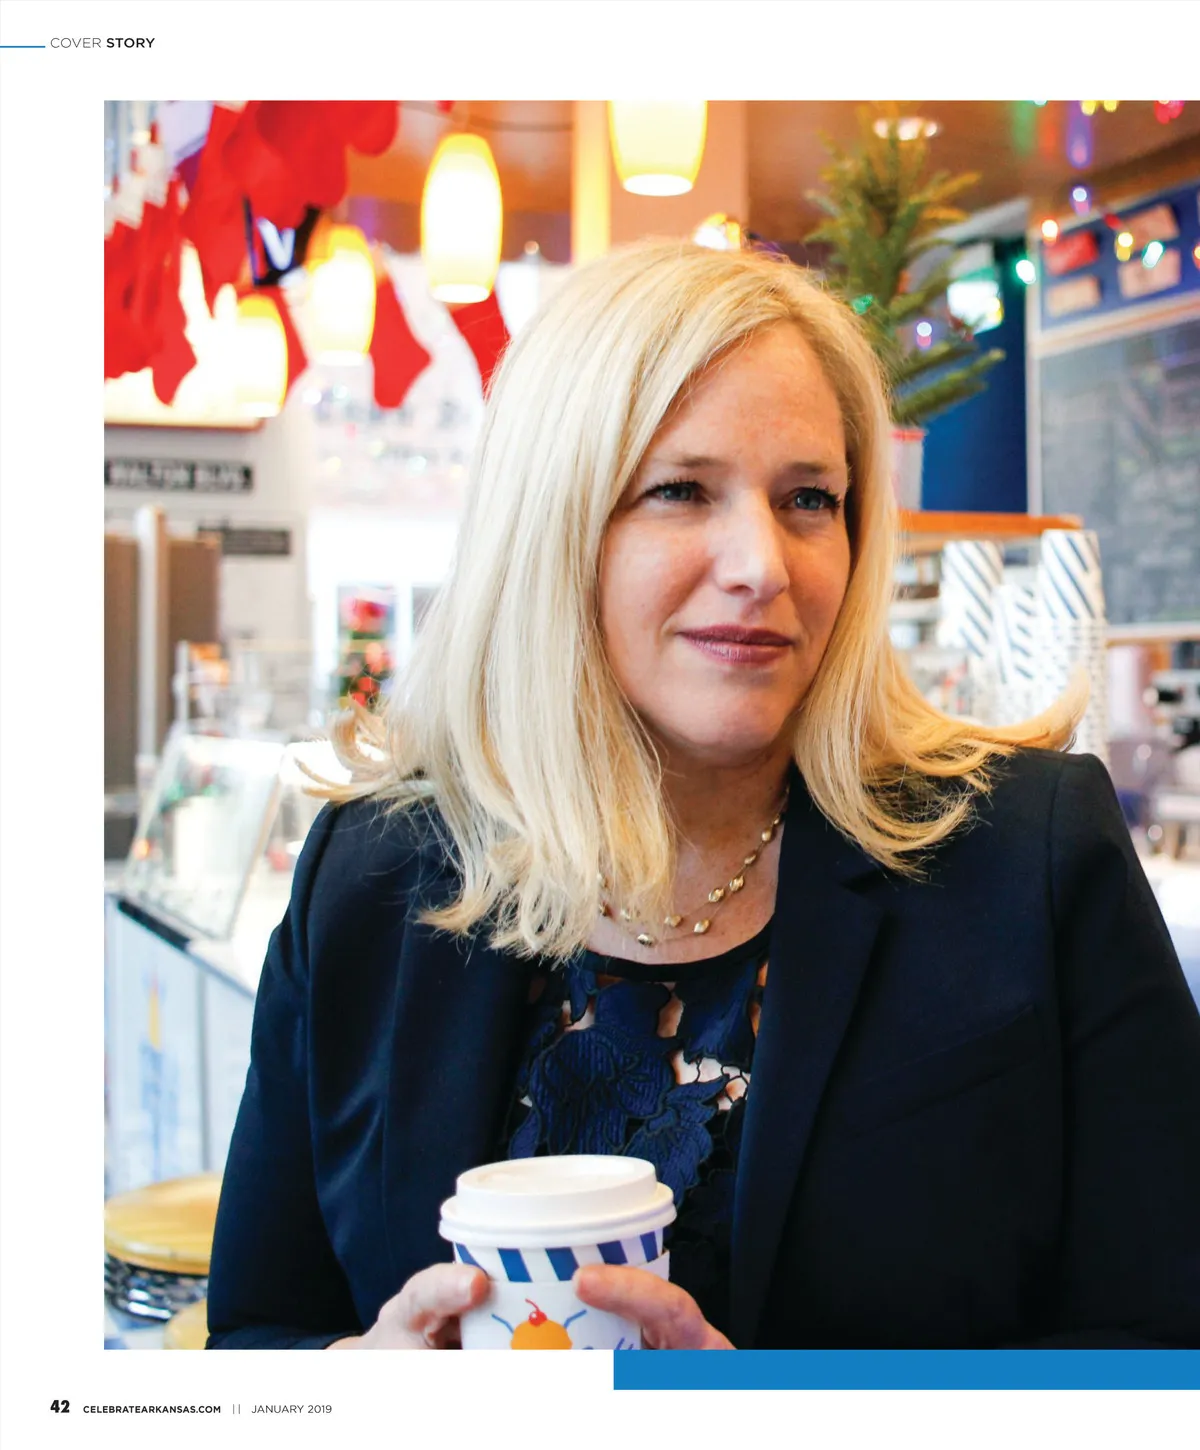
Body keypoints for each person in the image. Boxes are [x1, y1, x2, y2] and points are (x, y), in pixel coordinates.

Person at [206, 240, 1200, 1350]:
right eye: (680, 491)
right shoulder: (373, 875)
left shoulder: (1026, 858)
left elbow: (1165, 1350)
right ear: (548, 526)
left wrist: (770, 1419)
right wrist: (355, 1388)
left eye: (809, 499)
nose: (763, 564)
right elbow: (256, 1332)